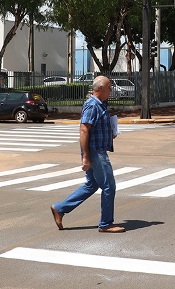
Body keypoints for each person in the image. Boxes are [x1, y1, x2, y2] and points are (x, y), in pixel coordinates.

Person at [51, 76, 125, 233]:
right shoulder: (92, 106)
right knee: (109, 186)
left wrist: (110, 133)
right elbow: (84, 130)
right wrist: (86, 157)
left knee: (92, 185)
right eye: (109, 87)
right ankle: (106, 224)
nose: (111, 90)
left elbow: (96, 128)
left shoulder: (101, 105)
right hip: (95, 152)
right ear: (100, 89)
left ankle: (60, 208)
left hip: (97, 149)